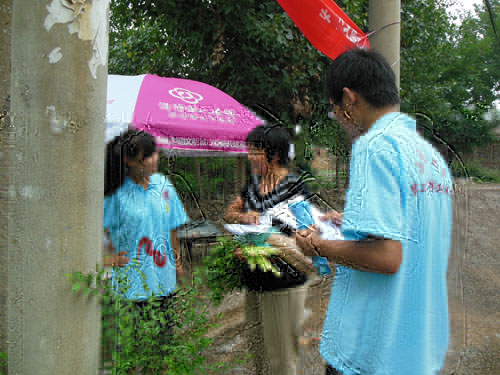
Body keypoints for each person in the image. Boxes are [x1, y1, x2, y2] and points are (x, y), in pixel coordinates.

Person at [296, 48, 453, 375]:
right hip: (414, 351)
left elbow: (386, 256)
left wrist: (318, 246)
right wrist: (350, 220)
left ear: (349, 99)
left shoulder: (374, 146)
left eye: (334, 110)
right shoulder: (431, 159)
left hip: (369, 353)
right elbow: (410, 231)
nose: (338, 119)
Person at [225, 124, 314, 375]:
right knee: (260, 352)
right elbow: (230, 213)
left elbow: (307, 239)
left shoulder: (294, 188)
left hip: (284, 284)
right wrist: (243, 217)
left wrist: (259, 251)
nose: (250, 157)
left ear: (274, 155)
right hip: (255, 283)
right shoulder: (253, 186)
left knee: (283, 358)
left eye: (255, 152)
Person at [103, 129, 189, 347]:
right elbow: (98, 234)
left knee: (163, 347)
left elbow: (172, 229)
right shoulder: (115, 194)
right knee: (131, 351)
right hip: (131, 288)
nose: (155, 159)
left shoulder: (163, 185)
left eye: (155, 153)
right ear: (129, 161)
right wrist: (108, 260)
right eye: (148, 155)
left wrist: (177, 264)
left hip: (163, 282)